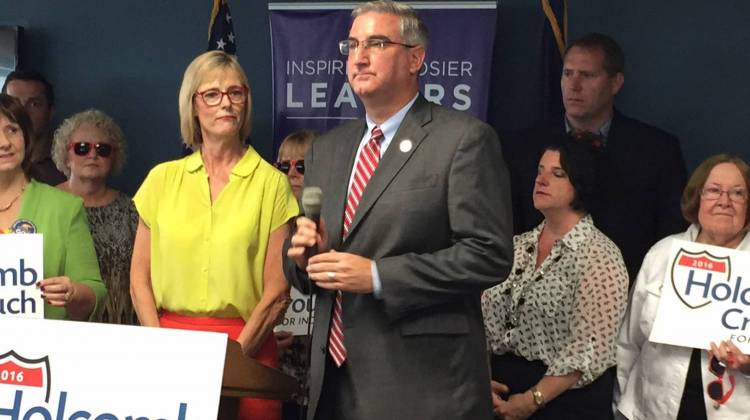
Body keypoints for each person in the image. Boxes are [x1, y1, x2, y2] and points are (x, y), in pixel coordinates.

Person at [283, 2, 513, 419]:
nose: (360, 56)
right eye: (352, 45)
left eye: (376, 43)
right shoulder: (327, 150)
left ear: (415, 57)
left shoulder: (462, 140)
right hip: (332, 385)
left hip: (421, 388)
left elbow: (488, 255)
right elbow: (310, 272)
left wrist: (375, 276)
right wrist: (304, 256)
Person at [130, 50, 298, 420]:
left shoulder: (272, 184)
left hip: (247, 351)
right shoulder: (162, 180)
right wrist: (157, 346)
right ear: (192, 104)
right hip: (169, 348)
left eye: (235, 93)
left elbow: (276, 293)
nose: (226, 103)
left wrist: (233, 361)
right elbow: (138, 281)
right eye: (212, 94)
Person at [503, 32, 687, 281]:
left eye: (587, 75)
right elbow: (507, 229)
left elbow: (670, 237)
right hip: (534, 296)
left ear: (615, 83)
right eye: (568, 74)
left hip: (625, 294)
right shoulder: (520, 148)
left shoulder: (657, 150)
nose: (574, 85)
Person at [482, 136, 629, 420]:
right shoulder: (515, 246)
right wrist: (482, 379)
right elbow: (482, 323)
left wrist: (532, 399)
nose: (541, 180)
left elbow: (590, 347)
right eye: (540, 170)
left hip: (564, 402)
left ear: (581, 182)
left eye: (557, 174)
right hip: (500, 393)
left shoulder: (600, 255)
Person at [615, 154, 750, 419]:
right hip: (652, 408)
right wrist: (621, 406)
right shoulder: (662, 253)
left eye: (737, 193)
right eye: (713, 191)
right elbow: (629, 342)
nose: (724, 201)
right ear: (697, 197)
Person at [0, 93, 105, 320]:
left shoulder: (64, 208)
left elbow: (95, 292)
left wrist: (74, 293)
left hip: (41, 352)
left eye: (12, 130)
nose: (4, 142)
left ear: (26, 136)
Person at [51, 109, 138, 325]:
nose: (93, 155)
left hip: (121, 325)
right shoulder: (47, 204)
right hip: (64, 325)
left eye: (103, 149)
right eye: (82, 148)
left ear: (114, 157)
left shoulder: (131, 209)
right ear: (65, 155)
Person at [272, 129, 317, 420]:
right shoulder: (268, 225)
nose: (292, 173)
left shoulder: (336, 224)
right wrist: (266, 334)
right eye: (283, 166)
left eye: (302, 165)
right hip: (277, 363)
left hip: (323, 364)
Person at [2, 69, 66, 185]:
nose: (23, 111)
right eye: (14, 103)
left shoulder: (68, 162)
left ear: (50, 111)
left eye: (34, 104)